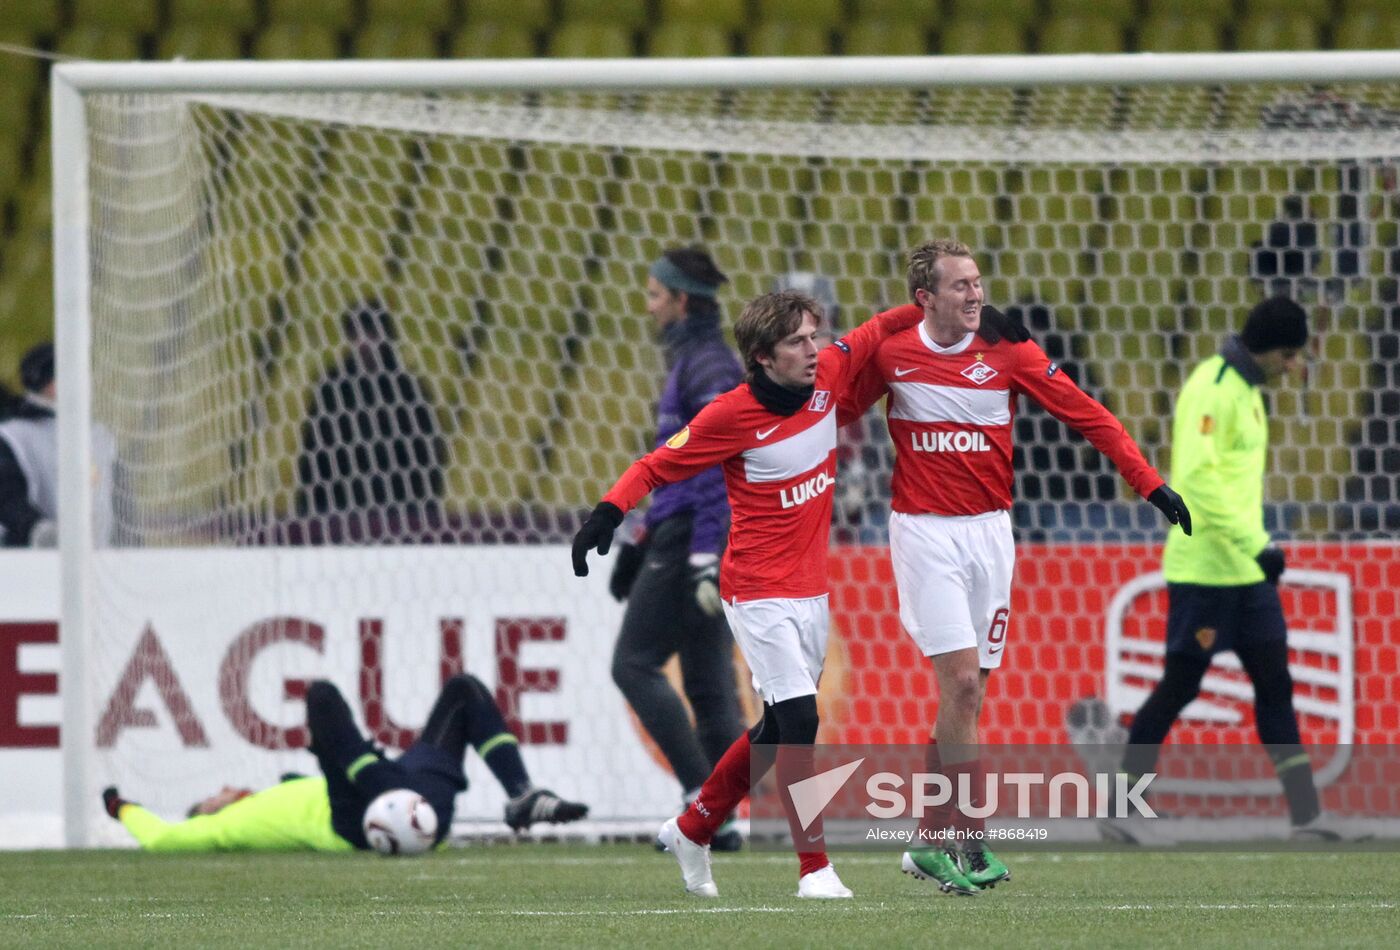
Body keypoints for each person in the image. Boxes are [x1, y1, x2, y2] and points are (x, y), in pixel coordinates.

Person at [837, 239, 1191, 894]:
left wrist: (1151, 485)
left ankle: (928, 840)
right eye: (960, 286)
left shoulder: (1007, 351)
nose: (976, 295)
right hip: (925, 534)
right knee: (964, 686)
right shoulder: (893, 350)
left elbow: (1089, 416)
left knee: (967, 695)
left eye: (978, 283)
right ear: (925, 298)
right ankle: (968, 835)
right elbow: (831, 408)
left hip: (993, 535)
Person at [573, 290, 927, 900]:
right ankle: (814, 868)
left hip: (811, 591)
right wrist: (607, 513)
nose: (813, 350)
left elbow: (879, 328)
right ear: (764, 357)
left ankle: (694, 826)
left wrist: (947, 309)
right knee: (799, 717)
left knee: (773, 729)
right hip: (756, 591)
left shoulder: (829, 372)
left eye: (814, 336)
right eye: (797, 342)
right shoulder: (731, 416)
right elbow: (658, 464)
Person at [1113, 297, 1341, 841]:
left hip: (1245, 573)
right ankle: (1122, 809)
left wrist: (1253, 550)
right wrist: (1256, 543)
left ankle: (1308, 817)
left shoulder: (1247, 392)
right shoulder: (1213, 389)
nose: (1292, 367)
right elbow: (1197, 480)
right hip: (1207, 572)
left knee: (1275, 686)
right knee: (1180, 686)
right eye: (1288, 355)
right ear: (1266, 349)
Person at [102, 674, 588, 852]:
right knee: (320, 694)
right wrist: (121, 807)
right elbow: (163, 838)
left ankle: (522, 793)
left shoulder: (280, 791)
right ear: (208, 812)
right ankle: (370, 773)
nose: (223, 790)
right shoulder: (223, 827)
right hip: (358, 817)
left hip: (414, 796)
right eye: (212, 798)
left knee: (464, 691)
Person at [607, 247, 747, 851]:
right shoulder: (696, 360)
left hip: (695, 535)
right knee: (709, 684)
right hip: (687, 532)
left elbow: (720, 463)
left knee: (633, 664)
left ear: (682, 300)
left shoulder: (709, 366)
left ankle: (699, 796)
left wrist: (703, 553)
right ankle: (723, 818)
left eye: (657, 295)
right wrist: (640, 533)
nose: (650, 305)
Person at [295, 300, 448, 542]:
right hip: (339, 512)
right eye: (356, 334)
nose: (364, 342)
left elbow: (428, 458)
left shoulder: (408, 392)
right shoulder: (331, 390)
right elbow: (313, 455)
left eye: (372, 333)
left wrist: (423, 512)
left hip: (398, 513)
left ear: (386, 337)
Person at [0, 342, 58, 547]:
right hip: (29, 562)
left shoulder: (99, 435)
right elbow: (6, 495)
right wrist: (35, 528)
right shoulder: (14, 435)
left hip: (100, 559)